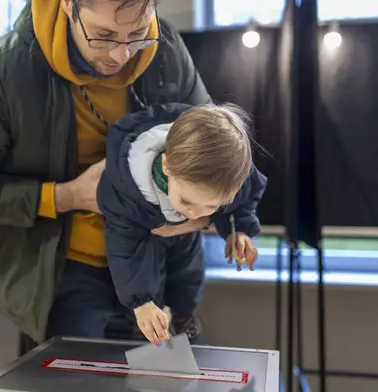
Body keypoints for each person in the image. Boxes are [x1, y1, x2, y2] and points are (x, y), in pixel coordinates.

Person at [0, 0, 212, 352]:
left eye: (137, 35)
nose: (122, 57)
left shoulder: (166, 50)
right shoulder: (1, 71)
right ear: (67, 6)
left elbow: (215, 157)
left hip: (159, 269)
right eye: (103, 37)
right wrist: (66, 196)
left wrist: (197, 213)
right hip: (65, 278)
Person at [97, 102, 268, 345]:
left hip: (184, 244)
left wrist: (239, 229)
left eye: (211, 206)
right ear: (167, 166)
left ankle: (183, 317)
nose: (196, 214)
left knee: (190, 277)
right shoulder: (126, 191)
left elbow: (245, 198)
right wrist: (141, 302)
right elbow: (123, 247)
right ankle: (140, 327)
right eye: (187, 200)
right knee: (145, 284)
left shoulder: (229, 175)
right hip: (141, 241)